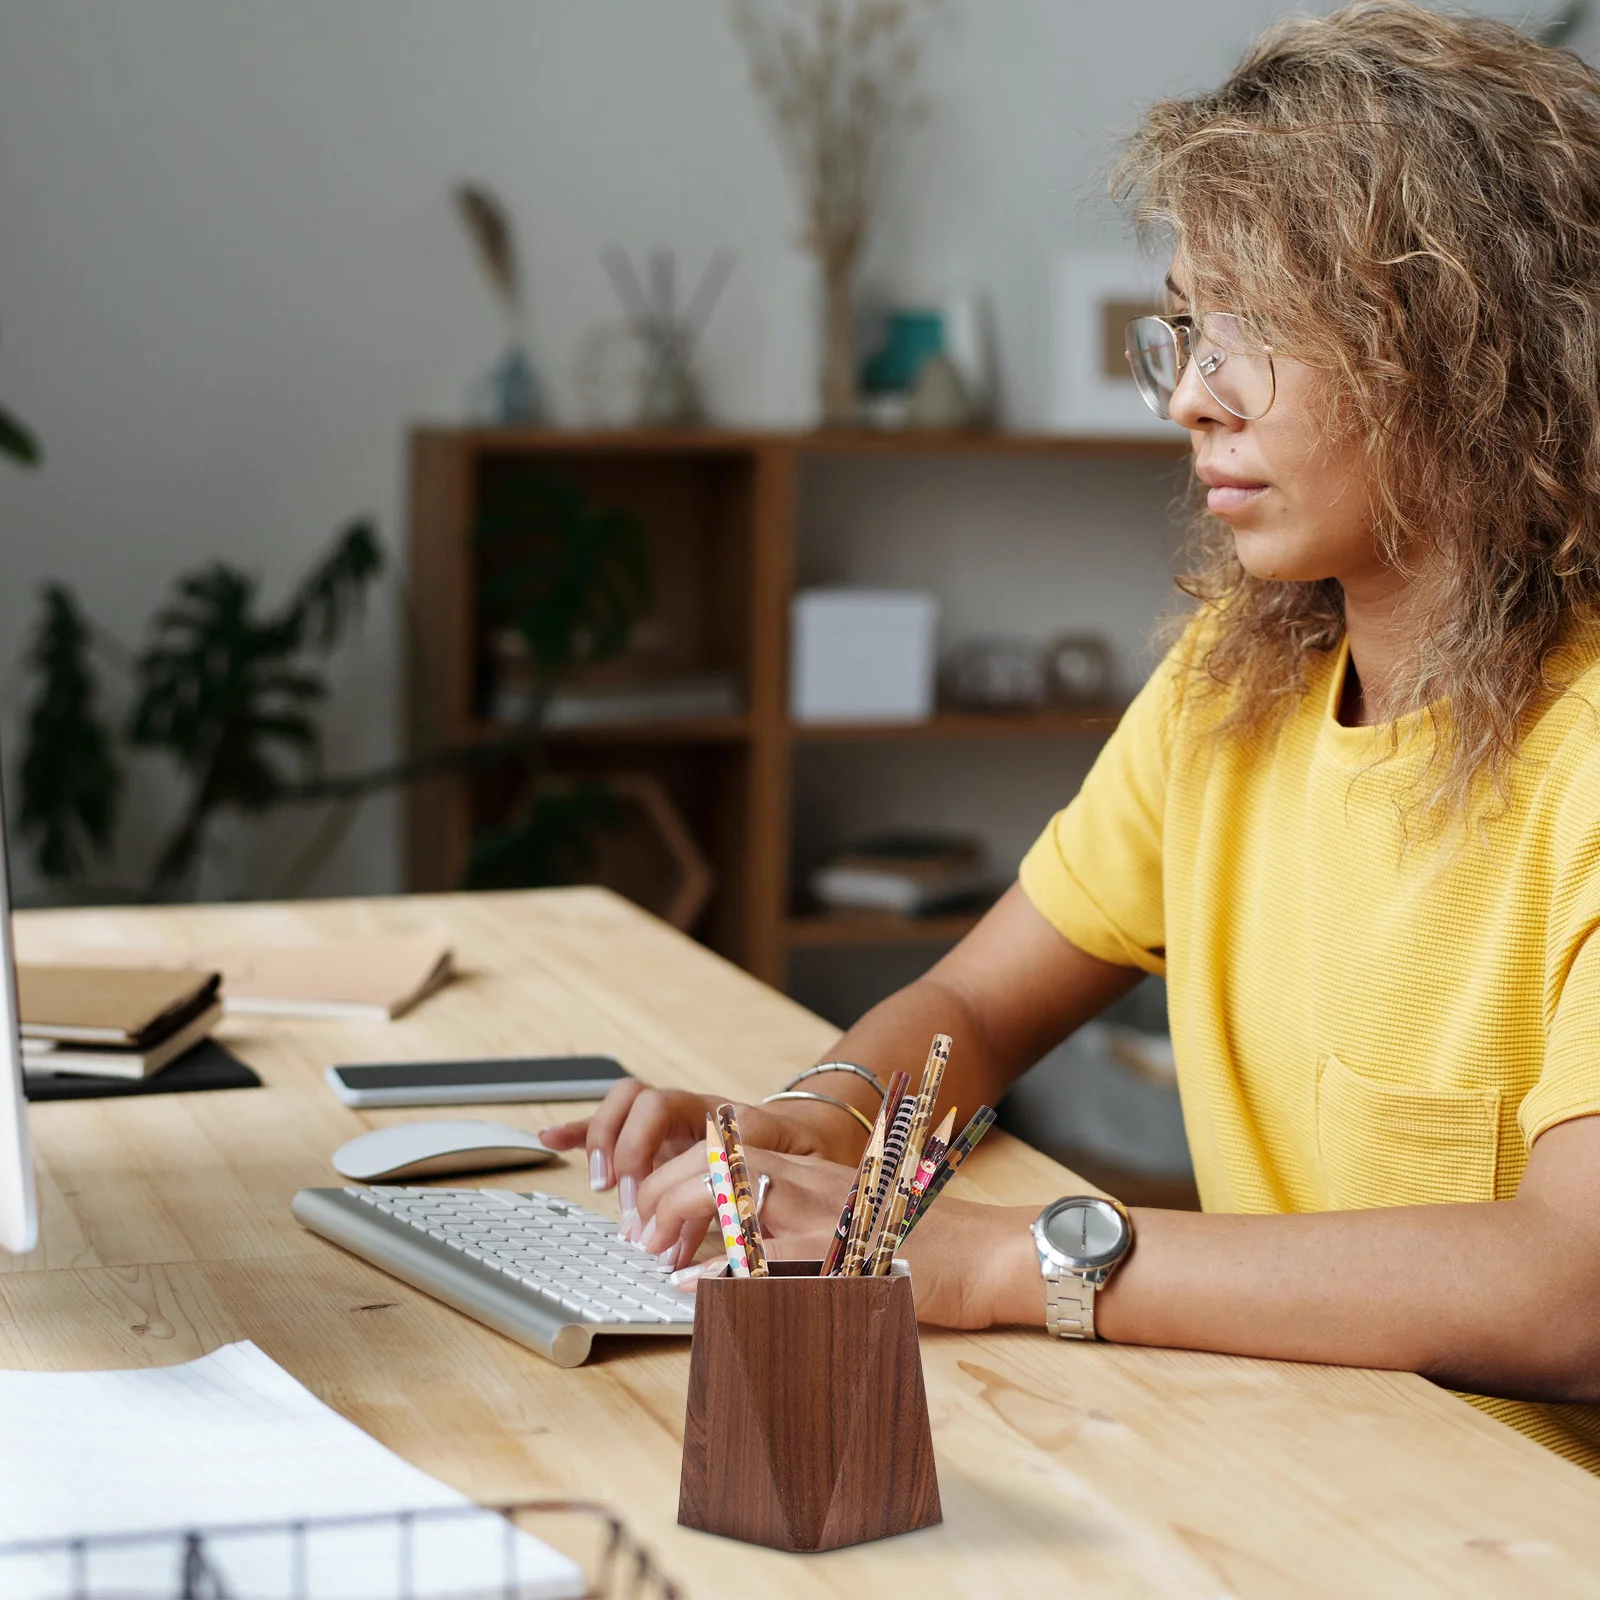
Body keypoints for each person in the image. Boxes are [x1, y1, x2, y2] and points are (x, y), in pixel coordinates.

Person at [542, 0, 1600, 1471]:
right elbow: (974, 1010)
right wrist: (806, 1132)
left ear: (1482, 353)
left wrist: (997, 1260)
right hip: (1287, 1464)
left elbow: (1575, 1287)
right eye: (1187, 322)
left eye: (1262, 333)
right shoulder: (1232, 686)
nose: (1187, 395)